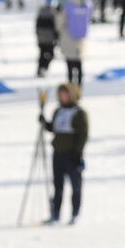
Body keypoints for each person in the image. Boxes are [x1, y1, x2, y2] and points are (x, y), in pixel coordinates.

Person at [39, 82, 88, 225]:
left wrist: (78, 152)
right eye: (61, 94)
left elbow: (83, 135)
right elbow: (54, 128)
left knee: (75, 186)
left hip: (72, 155)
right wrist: (44, 123)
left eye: (66, 94)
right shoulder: (58, 111)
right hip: (58, 154)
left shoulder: (79, 113)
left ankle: (75, 214)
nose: (63, 97)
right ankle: (55, 213)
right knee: (58, 186)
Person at [56, 0, 91, 85]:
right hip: (81, 40)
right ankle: (79, 88)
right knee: (79, 65)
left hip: (68, 38)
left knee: (70, 65)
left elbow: (60, 23)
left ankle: (71, 87)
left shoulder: (68, 5)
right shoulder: (87, 5)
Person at [35, 0, 58, 77]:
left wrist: (38, 34)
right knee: (50, 54)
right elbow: (56, 26)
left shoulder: (41, 11)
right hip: (49, 38)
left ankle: (40, 69)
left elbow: (37, 25)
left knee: (42, 54)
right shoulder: (54, 12)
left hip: (42, 38)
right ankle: (43, 68)